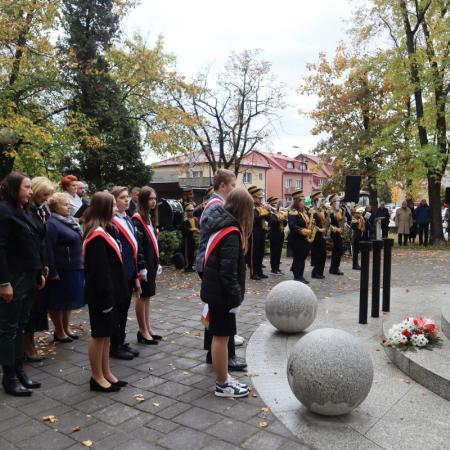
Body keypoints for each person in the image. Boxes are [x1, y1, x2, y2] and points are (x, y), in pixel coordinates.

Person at [200, 188, 253, 398]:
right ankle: (222, 383)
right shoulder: (231, 232)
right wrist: (235, 297)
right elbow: (228, 272)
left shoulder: (224, 225)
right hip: (222, 295)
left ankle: (223, 377)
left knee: (219, 336)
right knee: (221, 337)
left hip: (216, 292)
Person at [195, 169, 246, 371]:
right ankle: (227, 357)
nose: (234, 189)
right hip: (212, 264)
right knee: (223, 312)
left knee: (214, 313)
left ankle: (213, 353)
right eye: (232, 185)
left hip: (210, 262)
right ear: (223, 186)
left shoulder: (216, 205)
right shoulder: (216, 206)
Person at [0, 172, 44, 396]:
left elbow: (32, 242)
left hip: (28, 276)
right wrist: (4, 282)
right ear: (14, 187)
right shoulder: (4, 210)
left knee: (20, 324)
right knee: (9, 327)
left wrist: (39, 272)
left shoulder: (21, 210)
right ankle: (9, 377)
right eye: (26, 187)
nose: (30, 191)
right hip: (13, 278)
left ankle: (19, 370)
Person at [83, 192, 128, 392]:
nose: (117, 209)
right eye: (113, 206)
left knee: (107, 335)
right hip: (101, 296)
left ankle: (106, 372)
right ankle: (96, 376)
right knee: (99, 335)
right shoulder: (96, 236)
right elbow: (100, 273)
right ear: (104, 209)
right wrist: (108, 299)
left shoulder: (106, 230)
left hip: (111, 294)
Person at [46, 193, 84, 343]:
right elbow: (49, 249)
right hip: (61, 268)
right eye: (64, 205)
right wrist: (52, 271)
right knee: (58, 302)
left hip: (74, 266)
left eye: (69, 204)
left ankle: (66, 328)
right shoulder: (52, 224)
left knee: (69, 300)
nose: (68, 207)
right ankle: (59, 331)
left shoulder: (70, 221)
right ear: (55, 207)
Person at [24, 177, 54, 362]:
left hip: (39, 264)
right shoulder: (26, 212)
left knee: (34, 310)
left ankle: (29, 345)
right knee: (28, 311)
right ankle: (27, 348)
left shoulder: (39, 210)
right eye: (44, 194)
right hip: (28, 267)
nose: (46, 198)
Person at [110, 186, 141, 360]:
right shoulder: (112, 222)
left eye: (127, 197)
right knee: (117, 310)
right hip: (119, 273)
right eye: (122, 197)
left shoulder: (127, 218)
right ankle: (115, 345)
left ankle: (120, 341)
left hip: (129, 271)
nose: (126, 200)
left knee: (124, 309)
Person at [132, 186, 161, 345]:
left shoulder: (149, 217)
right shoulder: (137, 219)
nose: (154, 202)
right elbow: (139, 246)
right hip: (144, 265)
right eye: (150, 199)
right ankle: (142, 331)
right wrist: (142, 266)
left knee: (148, 296)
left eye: (155, 199)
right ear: (143, 200)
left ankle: (148, 327)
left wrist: (157, 262)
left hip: (151, 262)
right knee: (142, 297)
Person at [287, 190, 312, 284]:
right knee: (299, 257)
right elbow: (292, 225)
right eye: (302, 201)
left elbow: (306, 222)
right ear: (297, 202)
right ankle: (298, 276)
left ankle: (298, 273)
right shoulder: (293, 211)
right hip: (296, 238)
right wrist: (303, 230)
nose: (303, 203)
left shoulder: (304, 211)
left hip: (304, 238)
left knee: (303, 257)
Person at [247, 186, 270, 280]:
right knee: (254, 254)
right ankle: (253, 273)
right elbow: (255, 218)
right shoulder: (249, 207)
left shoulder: (260, 207)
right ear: (252, 197)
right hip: (253, 232)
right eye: (258, 198)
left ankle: (259, 271)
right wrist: (264, 212)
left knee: (261, 253)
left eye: (261, 198)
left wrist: (268, 211)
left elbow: (268, 219)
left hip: (261, 232)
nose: (260, 200)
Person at [310, 191, 327, 279]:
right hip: (316, 235)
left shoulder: (321, 210)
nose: (322, 203)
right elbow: (311, 224)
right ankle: (315, 272)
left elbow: (324, 221)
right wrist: (320, 229)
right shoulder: (312, 210)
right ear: (316, 201)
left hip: (322, 234)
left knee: (323, 254)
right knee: (318, 254)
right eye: (320, 201)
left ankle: (320, 271)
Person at [267, 196, 286, 275]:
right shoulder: (270, 213)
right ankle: (273, 269)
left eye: (276, 204)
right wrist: (280, 217)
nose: (276, 206)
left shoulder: (279, 213)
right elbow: (273, 222)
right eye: (274, 204)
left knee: (279, 252)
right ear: (271, 205)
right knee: (274, 252)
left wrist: (284, 218)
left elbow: (284, 224)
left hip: (280, 234)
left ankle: (277, 267)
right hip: (274, 234)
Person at [328, 194, 345, 275]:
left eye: (338, 201)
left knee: (338, 250)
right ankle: (334, 268)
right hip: (333, 233)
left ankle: (334, 267)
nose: (338, 203)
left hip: (339, 233)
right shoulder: (330, 211)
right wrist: (337, 229)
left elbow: (341, 221)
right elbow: (328, 224)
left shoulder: (340, 211)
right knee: (338, 250)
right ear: (332, 202)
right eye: (336, 201)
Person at [181, 204, 198, 272]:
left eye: (192, 210)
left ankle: (191, 265)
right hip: (187, 239)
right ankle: (187, 266)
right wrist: (191, 229)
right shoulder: (185, 220)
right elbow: (183, 229)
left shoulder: (194, 219)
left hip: (193, 238)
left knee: (192, 252)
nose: (191, 212)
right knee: (187, 252)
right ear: (186, 211)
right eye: (189, 210)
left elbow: (197, 227)